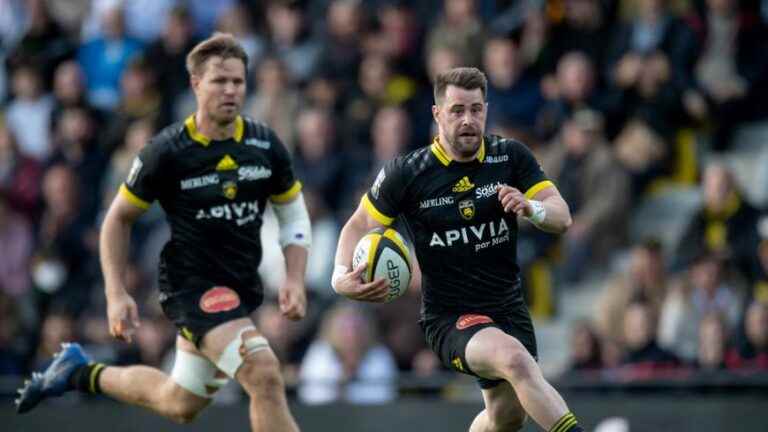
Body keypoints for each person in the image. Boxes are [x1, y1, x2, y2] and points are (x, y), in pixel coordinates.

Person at [16, 33, 311, 432]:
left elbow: (292, 213)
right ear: (195, 85)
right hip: (191, 287)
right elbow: (117, 219)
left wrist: (294, 277)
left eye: (238, 81)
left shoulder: (264, 144)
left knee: (178, 402)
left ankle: (79, 372)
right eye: (219, 81)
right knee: (263, 372)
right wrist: (115, 293)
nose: (230, 90)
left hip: (239, 287)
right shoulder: (168, 150)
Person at [333, 67, 583, 432]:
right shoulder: (408, 172)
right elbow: (358, 225)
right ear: (437, 114)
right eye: (456, 110)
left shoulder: (509, 157)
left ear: (486, 110)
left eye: (476, 109)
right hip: (451, 316)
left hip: (509, 308)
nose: (468, 120)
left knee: (506, 417)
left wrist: (533, 209)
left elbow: (561, 217)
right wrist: (340, 279)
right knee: (515, 360)